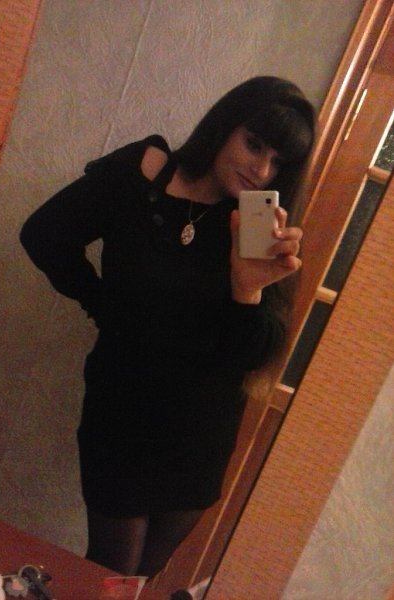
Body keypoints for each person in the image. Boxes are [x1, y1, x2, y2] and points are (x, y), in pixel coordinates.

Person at [20, 76, 315, 578]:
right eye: (254, 144)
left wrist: (247, 290)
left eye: (278, 162)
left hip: (200, 433)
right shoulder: (140, 175)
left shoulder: (255, 224)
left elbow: (252, 353)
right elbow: (45, 234)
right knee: (108, 572)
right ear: (225, 124)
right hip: (122, 413)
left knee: (141, 579)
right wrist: (102, 303)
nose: (262, 170)